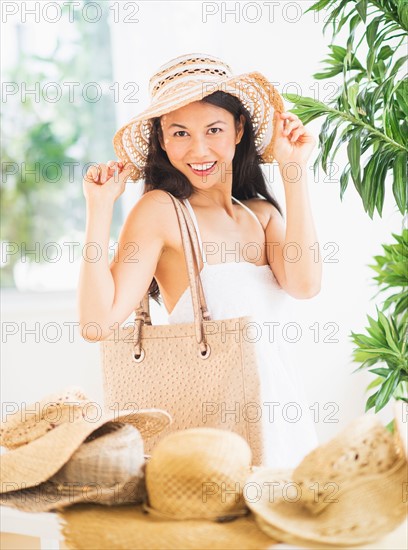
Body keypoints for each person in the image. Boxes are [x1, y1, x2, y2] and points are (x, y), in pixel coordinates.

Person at [78, 53, 322, 468]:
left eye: (214, 129)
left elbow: (305, 285)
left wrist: (293, 170)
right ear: (160, 139)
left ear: (239, 128)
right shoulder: (162, 211)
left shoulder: (260, 215)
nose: (199, 149)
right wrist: (99, 209)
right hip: (214, 430)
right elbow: (96, 324)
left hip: (284, 414)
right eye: (180, 133)